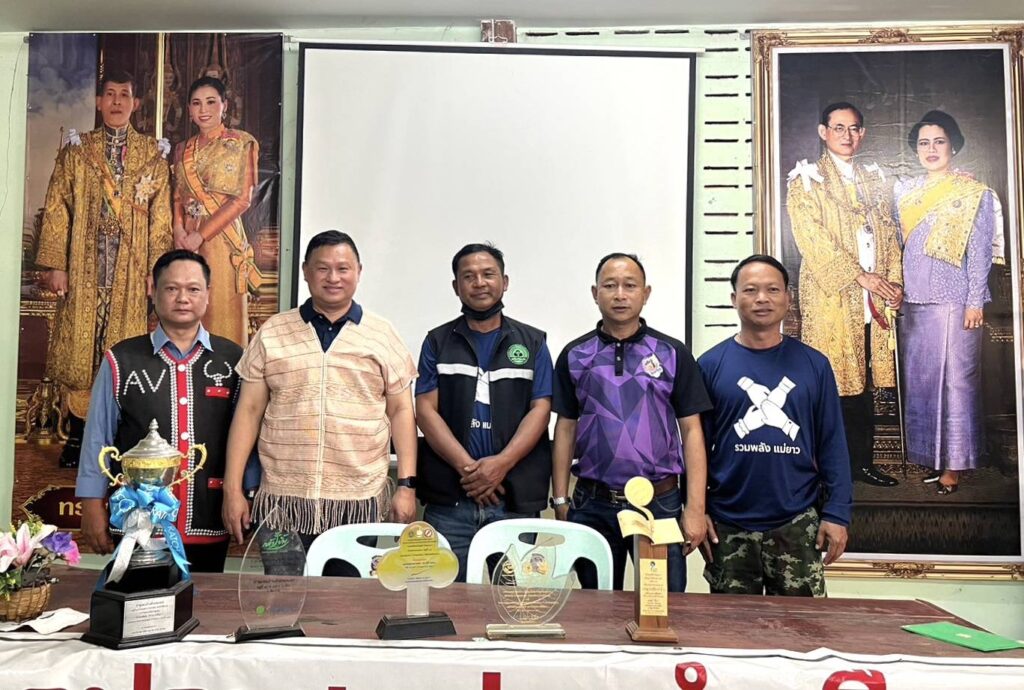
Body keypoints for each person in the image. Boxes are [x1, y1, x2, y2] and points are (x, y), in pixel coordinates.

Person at [222, 230, 418, 555]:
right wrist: (232, 489)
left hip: (357, 501)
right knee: (281, 586)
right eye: (322, 268)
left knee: (347, 588)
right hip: (283, 501)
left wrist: (407, 487)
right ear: (305, 271)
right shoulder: (273, 332)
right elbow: (249, 411)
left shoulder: (382, 334)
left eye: (343, 268)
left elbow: (401, 411)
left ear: (359, 272)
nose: (333, 278)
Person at [36, 68, 172, 467]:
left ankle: (119, 438)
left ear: (136, 103)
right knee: (83, 354)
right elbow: (58, 208)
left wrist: (155, 273)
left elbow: (161, 221)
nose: (116, 102)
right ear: (99, 102)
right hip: (84, 269)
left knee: (123, 352)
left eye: (124, 95)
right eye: (110, 94)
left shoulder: (152, 156)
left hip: (130, 272)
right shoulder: (78, 151)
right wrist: (57, 265)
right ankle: (78, 437)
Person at [551, 253, 710, 591]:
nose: (620, 294)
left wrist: (695, 509)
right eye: (610, 286)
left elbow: (692, 430)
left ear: (645, 293)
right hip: (592, 503)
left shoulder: (672, 353)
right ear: (595, 293)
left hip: (659, 502)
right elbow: (565, 427)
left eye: (630, 286)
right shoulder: (575, 354)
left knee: (662, 605)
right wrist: (561, 499)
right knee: (596, 606)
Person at [75, 250, 242, 572]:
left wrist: (245, 491)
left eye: (193, 289)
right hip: (138, 524)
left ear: (208, 294)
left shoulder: (232, 359)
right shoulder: (121, 359)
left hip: (208, 516)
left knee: (205, 599)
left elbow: (245, 435)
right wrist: (91, 503)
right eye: (171, 288)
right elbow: (98, 436)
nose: (183, 298)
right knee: (138, 601)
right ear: (153, 290)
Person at [698, 255, 853, 596]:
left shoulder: (814, 365)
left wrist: (838, 513)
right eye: (750, 290)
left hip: (797, 522)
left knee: (804, 626)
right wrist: (696, 509)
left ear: (788, 298)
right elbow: (695, 449)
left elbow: (833, 444)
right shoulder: (709, 365)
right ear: (734, 299)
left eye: (772, 290)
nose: (762, 298)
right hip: (728, 524)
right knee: (731, 627)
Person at [416, 243, 553, 581]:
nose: (479, 283)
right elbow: (426, 410)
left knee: (517, 600)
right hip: (450, 504)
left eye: (488, 274)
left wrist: (501, 464)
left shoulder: (533, 342)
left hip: (514, 502)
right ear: (456, 286)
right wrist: (471, 470)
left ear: (504, 282)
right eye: (469, 276)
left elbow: (541, 409)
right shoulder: (436, 342)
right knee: (445, 599)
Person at [786, 101, 902, 487]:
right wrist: (858, 276)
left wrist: (894, 283)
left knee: (862, 385)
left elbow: (888, 235)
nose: (847, 136)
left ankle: (861, 463)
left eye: (853, 129)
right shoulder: (806, 181)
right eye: (838, 128)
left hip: (872, 301)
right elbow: (812, 239)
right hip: (832, 298)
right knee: (831, 383)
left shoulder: (874, 179)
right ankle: (823, 472)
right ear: (824, 132)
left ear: (862, 133)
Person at [894, 111, 1002, 495]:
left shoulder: (974, 193)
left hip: (957, 301)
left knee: (957, 383)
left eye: (939, 141)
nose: (931, 149)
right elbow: (898, 245)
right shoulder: (904, 192)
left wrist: (975, 302)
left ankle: (954, 465)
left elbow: (980, 252)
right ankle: (933, 457)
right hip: (914, 300)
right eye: (924, 143)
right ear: (915, 150)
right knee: (924, 383)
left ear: (952, 146)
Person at [172, 76, 259, 346]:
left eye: (211, 102)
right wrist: (178, 230)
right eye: (196, 103)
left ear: (225, 105)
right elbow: (177, 197)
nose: (203, 110)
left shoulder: (242, 143)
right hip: (186, 242)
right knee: (185, 313)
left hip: (222, 242)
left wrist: (201, 235)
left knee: (221, 316)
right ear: (189, 109)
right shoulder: (181, 149)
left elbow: (242, 200)